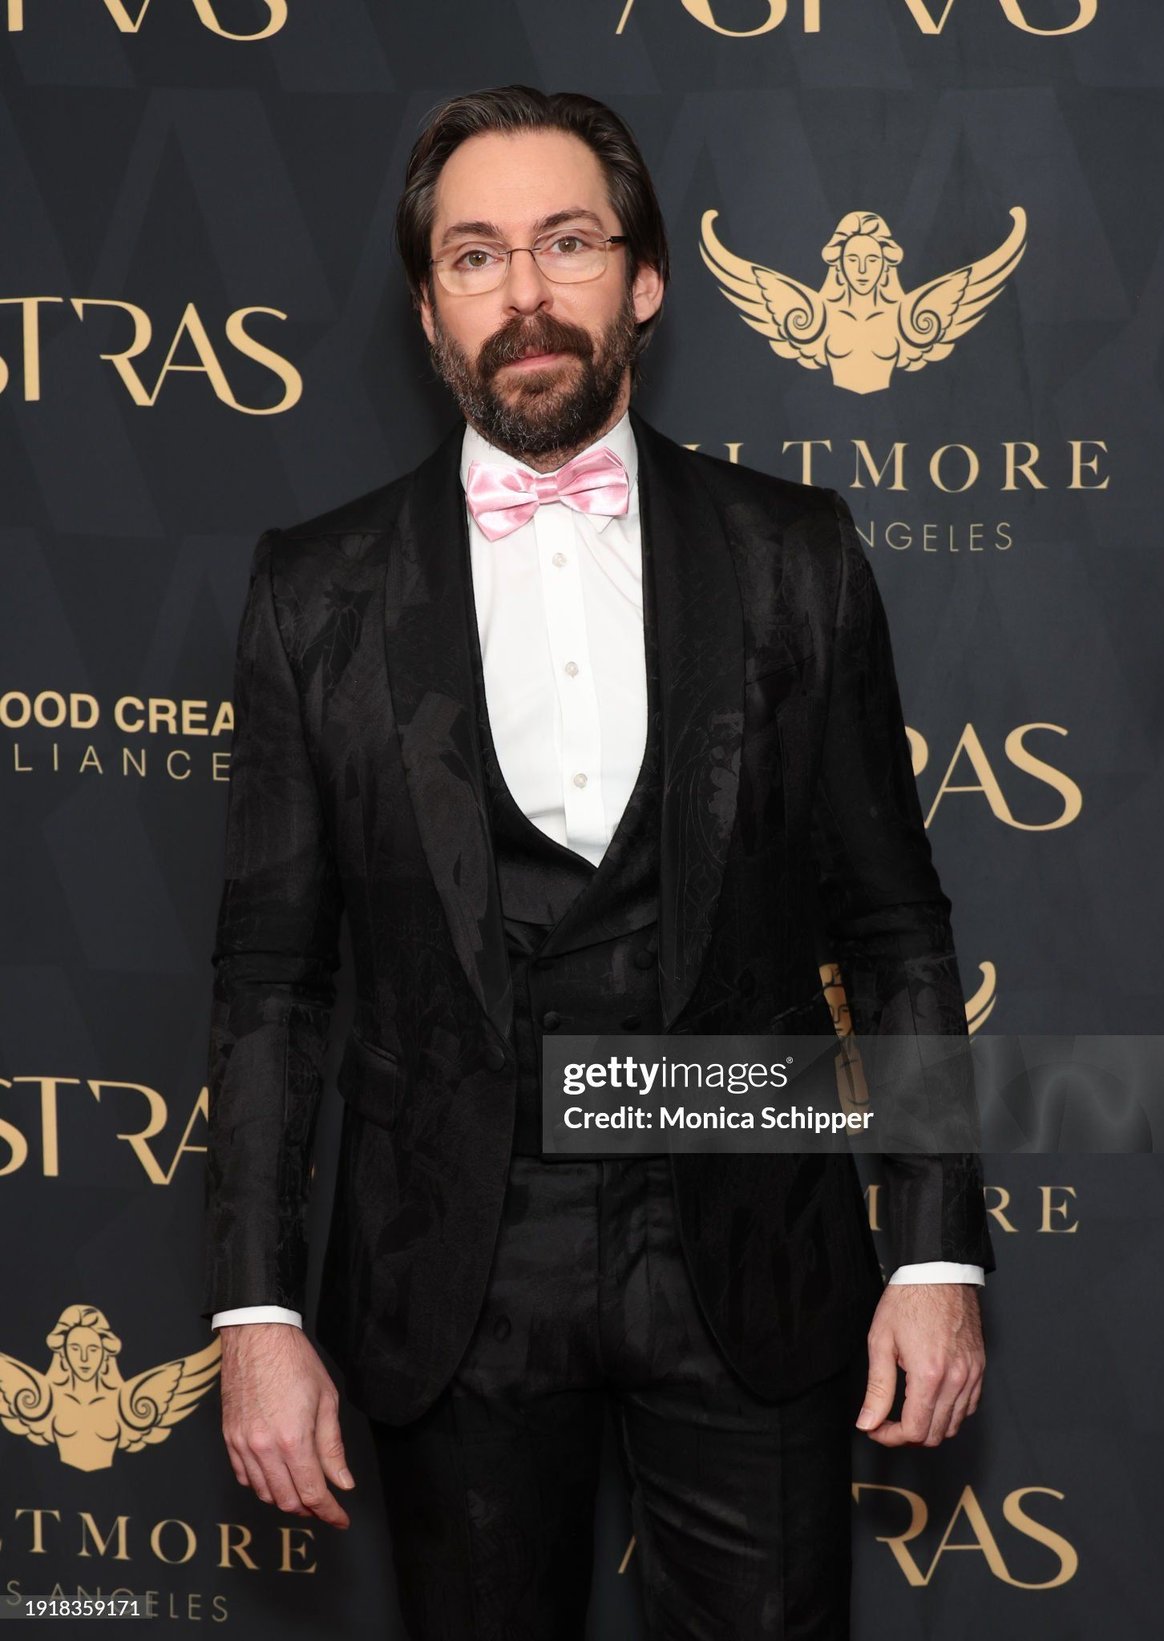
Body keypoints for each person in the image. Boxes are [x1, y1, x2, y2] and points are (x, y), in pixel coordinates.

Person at [203, 84, 994, 1640]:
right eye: (476, 256)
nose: (525, 293)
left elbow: (894, 927)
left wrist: (935, 1253)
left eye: (566, 242)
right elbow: (272, 978)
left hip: (750, 1249)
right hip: (452, 1268)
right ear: (429, 310)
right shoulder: (315, 592)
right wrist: (256, 1304)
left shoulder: (795, 555)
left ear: (644, 281)